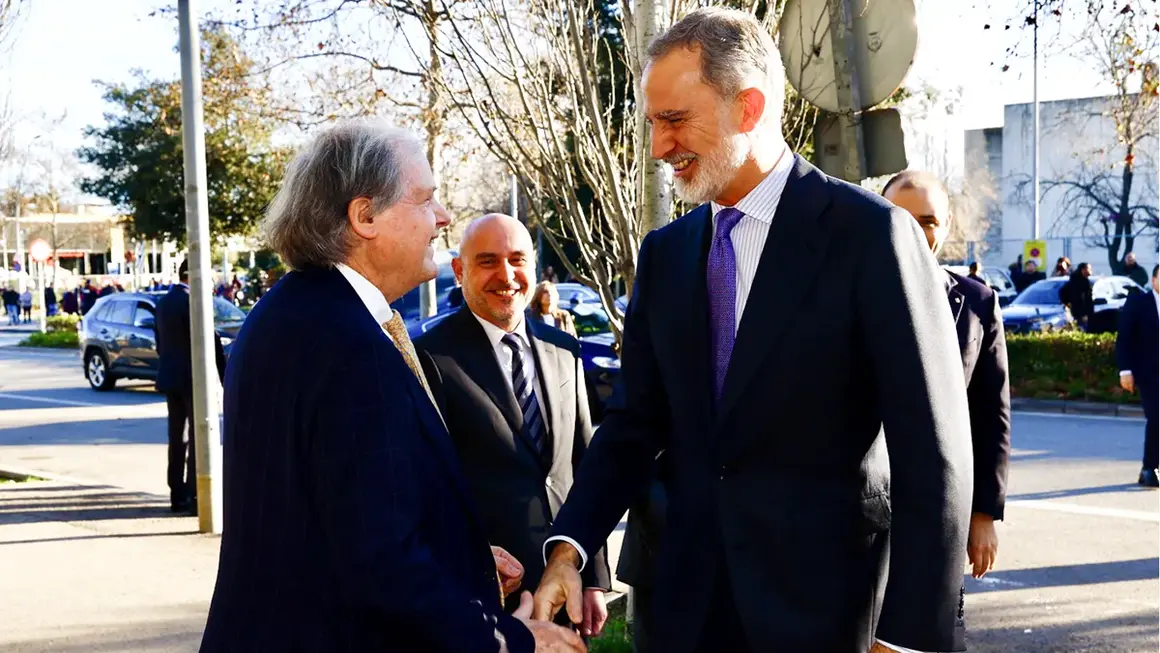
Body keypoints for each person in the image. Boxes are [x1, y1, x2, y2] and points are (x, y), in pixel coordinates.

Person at [533, 9, 973, 653]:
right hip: (683, 612)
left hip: (826, 615)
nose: (658, 147)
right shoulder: (665, 254)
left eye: (674, 120)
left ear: (749, 107)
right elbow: (632, 425)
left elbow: (932, 452)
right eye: (652, 123)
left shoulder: (871, 237)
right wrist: (569, 548)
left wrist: (907, 637)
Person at [199, 120, 582, 653]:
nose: (442, 217)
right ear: (365, 217)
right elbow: (380, 561)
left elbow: (341, 512)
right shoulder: (348, 344)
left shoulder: (296, 314)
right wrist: (513, 640)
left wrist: (464, 558)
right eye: (425, 199)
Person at [416, 214, 611, 636]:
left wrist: (594, 576)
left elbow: (585, 468)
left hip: (565, 587)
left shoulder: (564, 349)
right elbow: (425, 487)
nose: (506, 275)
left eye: (517, 259)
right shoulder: (429, 359)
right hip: (485, 597)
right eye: (488, 261)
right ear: (460, 271)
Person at [883, 171, 1012, 580]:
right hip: (852, 513)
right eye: (899, 219)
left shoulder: (977, 303)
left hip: (939, 511)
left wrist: (983, 514)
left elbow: (991, 415)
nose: (914, 232)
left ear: (947, 225)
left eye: (927, 221)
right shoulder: (839, 294)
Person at [155, 259, 225, 515]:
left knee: (177, 437)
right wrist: (225, 376)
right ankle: (197, 495)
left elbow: (160, 343)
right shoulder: (193, 301)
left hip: (170, 377)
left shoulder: (164, 302)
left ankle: (177, 494)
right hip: (194, 379)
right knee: (199, 437)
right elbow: (211, 341)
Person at [1116, 264, 1159, 488]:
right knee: (1157, 417)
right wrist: (1125, 370)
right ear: (1154, 280)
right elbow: (1124, 338)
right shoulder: (1139, 303)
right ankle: (1150, 467)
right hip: (1150, 373)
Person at [1060, 262, 1094, 329]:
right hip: (1079, 313)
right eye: (1089, 269)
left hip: (1084, 313)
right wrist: (1067, 303)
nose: (1090, 271)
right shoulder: (1076, 282)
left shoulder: (1086, 281)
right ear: (1083, 270)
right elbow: (1081, 299)